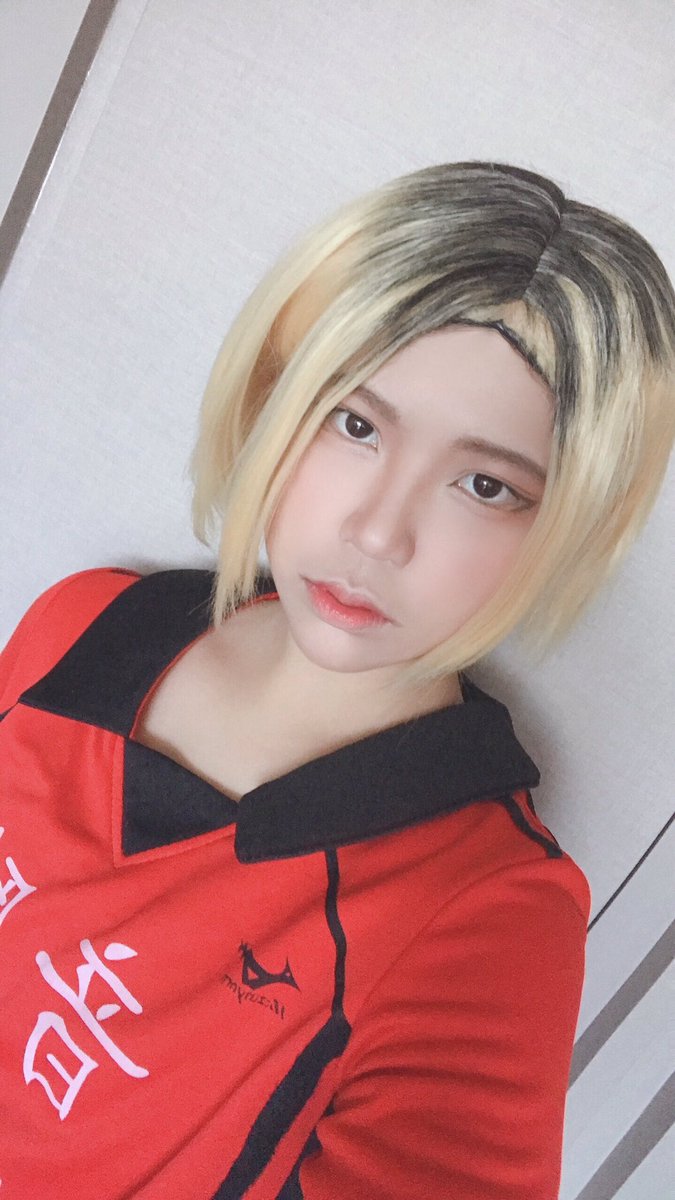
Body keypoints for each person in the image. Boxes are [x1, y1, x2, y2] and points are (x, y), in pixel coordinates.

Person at [1, 161, 673, 1200]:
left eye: (484, 484)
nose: (376, 531)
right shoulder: (81, 624)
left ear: (566, 525)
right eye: (355, 424)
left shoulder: (487, 914)